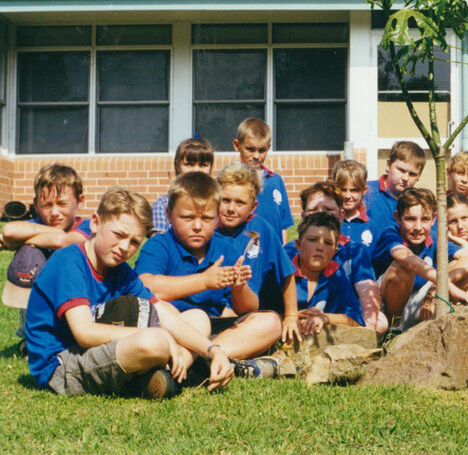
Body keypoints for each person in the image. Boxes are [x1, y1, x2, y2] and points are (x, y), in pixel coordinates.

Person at [25, 186, 232, 398]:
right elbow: (84, 333)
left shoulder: (120, 270)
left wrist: (214, 350)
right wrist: (160, 334)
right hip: (62, 365)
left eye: (134, 242)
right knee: (152, 341)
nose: (124, 247)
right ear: (95, 223)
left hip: (99, 351)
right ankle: (162, 375)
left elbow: (161, 311)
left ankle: (168, 375)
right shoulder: (69, 261)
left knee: (198, 319)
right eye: (119, 235)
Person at [135, 172, 282, 378]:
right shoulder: (159, 245)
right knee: (171, 309)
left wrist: (240, 287)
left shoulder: (225, 248)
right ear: (169, 215)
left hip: (213, 331)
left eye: (206, 218)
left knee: (271, 322)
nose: (197, 226)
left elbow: (246, 309)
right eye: (187, 217)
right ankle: (205, 361)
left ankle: (195, 361)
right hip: (172, 328)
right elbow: (145, 287)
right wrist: (204, 281)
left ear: (217, 216)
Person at [2, 164, 92, 349]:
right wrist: (35, 240)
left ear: (80, 201)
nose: (54, 213)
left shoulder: (86, 226)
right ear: (36, 205)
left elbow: (64, 241)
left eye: (62, 204)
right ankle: (32, 336)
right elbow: (9, 230)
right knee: (29, 256)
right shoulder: (35, 223)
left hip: (75, 298)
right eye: (47, 205)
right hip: (39, 296)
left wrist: (25, 240)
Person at [374, 188, 468, 331]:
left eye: (425, 219)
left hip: (419, 303)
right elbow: (405, 258)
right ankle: (392, 332)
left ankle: (436, 330)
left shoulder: (433, 237)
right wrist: (446, 285)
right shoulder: (390, 234)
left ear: (434, 219)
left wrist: (435, 290)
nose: (418, 227)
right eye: (410, 219)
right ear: (397, 218)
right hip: (384, 309)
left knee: (462, 269)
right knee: (403, 268)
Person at [286, 180, 386, 334]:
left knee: (379, 322)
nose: (321, 213)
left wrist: (368, 329)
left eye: (328, 209)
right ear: (303, 215)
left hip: (340, 312)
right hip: (293, 315)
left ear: (341, 215)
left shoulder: (354, 250)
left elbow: (367, 288)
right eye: (314, 209)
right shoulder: (289, 252)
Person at [215, 163, 298, 343]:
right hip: (212, 312)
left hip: (247, 316)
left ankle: (209, 355)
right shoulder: (206, 230)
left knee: (270, 323)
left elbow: (287, 273)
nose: (231, 208)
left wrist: (291, 315)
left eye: (240, 203)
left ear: (253, 207)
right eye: (225, 200)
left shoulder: (260, 228)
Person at [290, 212, 364, 335]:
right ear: (298, 245)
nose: (320, 247)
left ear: (335, 251)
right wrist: (292, 315)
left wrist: (325, 318)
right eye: (313, 240)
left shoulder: (336, 274)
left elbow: (357, 320)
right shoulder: (284, 273)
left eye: (328, 243)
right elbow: (262, 315)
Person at [233, 117, 293, 242]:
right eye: (250, 149)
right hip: (244, 253)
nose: (256, 156)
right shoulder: (230, 182)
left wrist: (283, 252)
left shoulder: (276, 181)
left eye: (262, 150)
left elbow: (283, 225)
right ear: (237, 145)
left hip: (273, 253)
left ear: (268, 148)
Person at [364, 140, 425, 245]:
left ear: (419, 176)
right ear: (388, 165)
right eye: (401, 170)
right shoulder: (365, 193)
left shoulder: (421, 203)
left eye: (412, 174)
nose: (405, 178)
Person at [151, 137, 214, 235]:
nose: (196, 170)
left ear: (210, 168)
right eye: (189, 164)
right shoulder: (163, 205)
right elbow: (158, 242)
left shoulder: (217, 203)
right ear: (177, 166)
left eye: (202, 165)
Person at [333, 160, 377, 248]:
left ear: (364, 191)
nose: (348, 196)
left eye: (354, 190)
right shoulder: (329, 222)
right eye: (343, 190)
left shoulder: (371, 226)